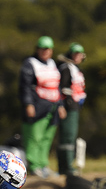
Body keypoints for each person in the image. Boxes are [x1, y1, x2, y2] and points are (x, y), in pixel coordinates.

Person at [18, 36, 65, 178]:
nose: (45, 52)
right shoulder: (30, 63)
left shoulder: (52, 64)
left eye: (48, 49)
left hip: (52, 106)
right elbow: (24, 87)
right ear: (37, 49)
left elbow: (58, 86)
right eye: (43, 49)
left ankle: (43, 164)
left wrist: (61, 105)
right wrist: (28, 104)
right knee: (34, 137)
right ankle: (34, 166)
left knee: (47, 138)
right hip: (38, 106)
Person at [57, 43, 87, 176]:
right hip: (68, 107)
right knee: (68, 136)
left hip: (75, 107)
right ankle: (66, 167)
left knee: (71, 136)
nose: (77, 56)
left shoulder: (76, 68)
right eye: (75, 53)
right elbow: (62, 88)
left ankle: (66, 167)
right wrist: (64, 104)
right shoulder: (66, 68)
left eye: (79, 54)